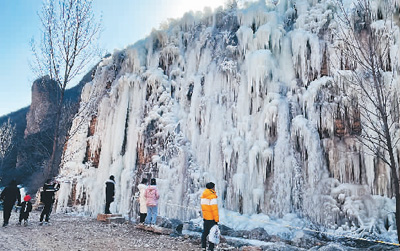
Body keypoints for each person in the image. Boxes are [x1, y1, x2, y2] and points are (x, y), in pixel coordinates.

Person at [201, 182, 219, 251]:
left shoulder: (204, 195)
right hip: (211, 218)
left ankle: (203, 247)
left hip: (206, 217)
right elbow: (214, 209)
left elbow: (205, 208)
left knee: (205, 233)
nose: (215, 188)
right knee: (213, 232)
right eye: (214, 187)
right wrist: (216, 219)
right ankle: (211, 248)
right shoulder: (212, 196)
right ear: (212, 188)